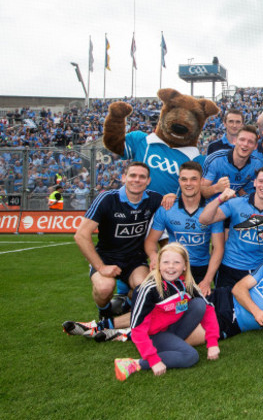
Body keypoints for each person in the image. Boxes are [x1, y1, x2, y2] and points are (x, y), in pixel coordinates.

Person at [113, 243, 220, 381]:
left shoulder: (186, 283)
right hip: (153, 334)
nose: (171, 267)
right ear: (158, 265)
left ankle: (169, 347)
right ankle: (133, 363)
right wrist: (153, 360)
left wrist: (212, 343)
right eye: (166, 262)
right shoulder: (148, 289)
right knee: (190, 356)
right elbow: (137, 327)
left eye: (176, 262)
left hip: (171, 329)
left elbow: (208, 309)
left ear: (184, 266)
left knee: (199, 304)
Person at [73, 162, 162, 321]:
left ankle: (126, 302)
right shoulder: (107, 198)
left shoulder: (154, 199)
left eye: (142, 177)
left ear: (148, 181)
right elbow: (81, 235)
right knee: (104, 288)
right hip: (106, 258)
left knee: (146, 289)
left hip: (135, 259)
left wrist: (170, 197)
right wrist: (100, 266)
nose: (137, 180)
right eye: (132, 175)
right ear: (123, 178)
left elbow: (175, 207)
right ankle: (105, 312)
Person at [198, 166, 263, 288]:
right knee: (224, 305)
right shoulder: (237, 203)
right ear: (255, 183)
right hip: (228, 267)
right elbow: (204, 219)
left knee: (248, 306)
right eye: (261, 181)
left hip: (255, 270)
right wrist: (220, 199)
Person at [144, 162, 225, 295]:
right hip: (172, 266)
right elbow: (151, 241)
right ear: (179, 181)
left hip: (200, 268)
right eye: (184, 179)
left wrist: (207, 280)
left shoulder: (212, 210)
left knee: (197, 308)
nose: (188, 183)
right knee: (159, 302)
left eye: (194, 179)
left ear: (202, 181)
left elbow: (218, 247)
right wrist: (154, 257)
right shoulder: (167, 209)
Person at [201, 125, 262, 200]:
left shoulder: (257, 165)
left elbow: (249, 194)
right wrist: (216, 188)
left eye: (250, 142)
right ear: (234, 141)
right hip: (212, 206)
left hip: (234, 208)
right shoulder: (215, 159)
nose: (245, 144)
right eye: (242, 140)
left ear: (255, 146)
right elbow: (200, 192)